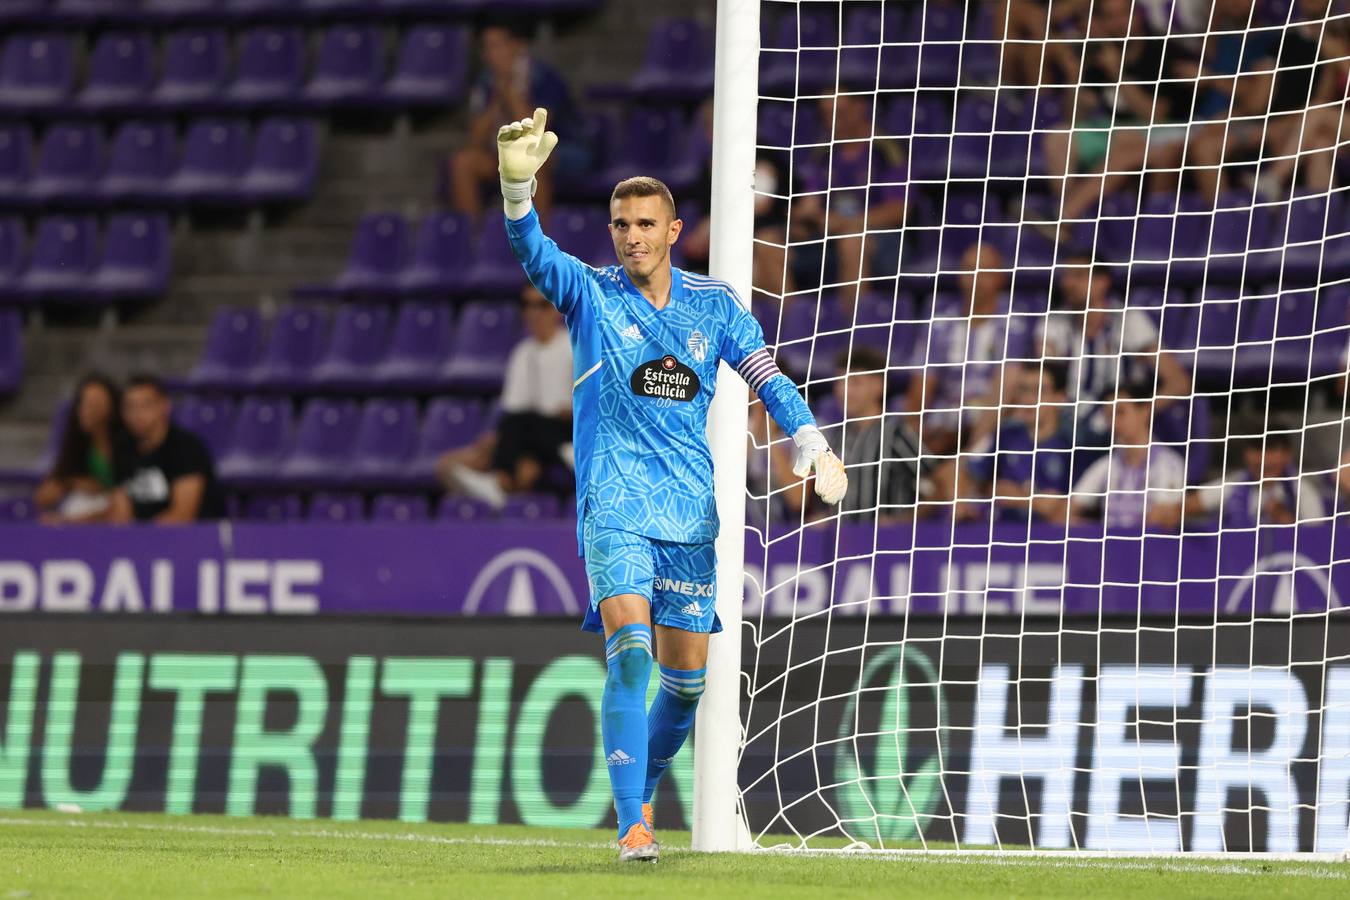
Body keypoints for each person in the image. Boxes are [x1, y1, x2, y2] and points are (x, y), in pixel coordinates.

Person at [497, 107, 847, 862]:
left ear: (673, 230)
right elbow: (534, 255)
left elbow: (766, 377)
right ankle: (632, 827)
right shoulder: (589, 295)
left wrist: (813, 442)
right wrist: (517, 188)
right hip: (614, 506)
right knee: (629, 653)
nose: (630, 236)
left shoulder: (712, 306)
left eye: (644, 224)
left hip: (690, 515)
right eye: (620, 223)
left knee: (686, 688)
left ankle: (642, 791)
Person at [1037, 252, 1190, 452]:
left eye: (1078, 276)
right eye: (1066, 276)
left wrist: (1138, 412)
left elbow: (1178, 383)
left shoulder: (1130, 321)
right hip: (1065, 421)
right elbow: (1042, 383)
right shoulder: (1053, 324)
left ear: (1103, 282)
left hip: (1115, 423)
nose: (1068, 283)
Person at [438, 284, 574, 508]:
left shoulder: (574, 346)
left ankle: (498, 482)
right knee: (521, 438)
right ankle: (554, 454)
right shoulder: (522, 352)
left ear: (557, 310)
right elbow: (515, 407)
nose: (534, 313)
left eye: (542, 305)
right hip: (536, 432)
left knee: (518, 426)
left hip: (568, 425)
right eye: (528, 306)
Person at [447, 21, 581, 221]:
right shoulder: (485, 82)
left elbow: (537, 131)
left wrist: (510, 92)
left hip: (560, 150)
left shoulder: (543, 77)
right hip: (506, 154)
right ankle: (474, 241)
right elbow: (474, 141)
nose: (492, 54)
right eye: (487, 47)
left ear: (519, 46)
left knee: (534, 158)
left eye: (499, 45)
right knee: (462, 163)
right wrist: (497, 99)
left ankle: (536, 243)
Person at [826, 345, 930, 522]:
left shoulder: (895, 435)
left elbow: (940, 486)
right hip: (844, 544)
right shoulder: (838, 437)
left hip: (885, 545)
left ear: (879, 386)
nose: (844, 391)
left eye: (854, 383)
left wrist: (902, 521)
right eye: (840, 382)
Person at [962, 363, 1074, 524]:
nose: (1028, 399)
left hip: (1049, 539)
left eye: (1038, 391)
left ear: (1060, 397)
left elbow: (1059, 507)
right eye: (1024, 390)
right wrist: (1032, 500)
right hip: (998, 533)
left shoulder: (1072, 445)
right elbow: (971, 477)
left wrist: (1007, 492)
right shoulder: (1004, 435)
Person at [1070, 381, 1186, 532]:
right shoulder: (1106, 466)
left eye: (1120, 412)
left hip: (1151, 551)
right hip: (1110, 550)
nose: (1113, 421)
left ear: (1145, 411)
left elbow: (1160, 519)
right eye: (1108, 415)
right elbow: (1067, 511)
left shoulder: (1169, 464)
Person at [108, 375, 225, 523]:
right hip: (142, 539)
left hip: (191, 540)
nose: (136, 414)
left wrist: (141, 537)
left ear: (165, 406)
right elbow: (121, 515)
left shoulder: (186, 448)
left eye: (145, 405)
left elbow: (182, 516)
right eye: (129, 406)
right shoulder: (123, 449)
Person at [33, 373, 130, 524]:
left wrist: (70, 520)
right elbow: (44, 496)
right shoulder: (75, 444)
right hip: (83, 515)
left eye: (95, 404)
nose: (87, 410)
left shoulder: (129, 445)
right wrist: (70, 483)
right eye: (83, 403)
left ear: (112, 408)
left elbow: (126, 502)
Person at [1186, 433, 1327, 529]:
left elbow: (1316, 538)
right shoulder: (1235, 485)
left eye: (1271, 450)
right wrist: (1172, 512)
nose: (1264, 459)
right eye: (1258, 450)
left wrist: (1284, 518)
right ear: (1246, 455)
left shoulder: (1302, 491)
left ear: (1287, 455)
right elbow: (1189, 506)